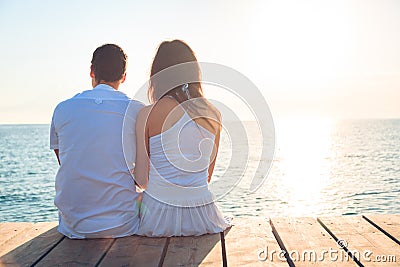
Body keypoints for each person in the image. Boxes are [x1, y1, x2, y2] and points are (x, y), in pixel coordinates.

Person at [135, 40, 230, 237]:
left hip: (159, 219)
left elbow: (141, 180)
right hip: (202, 216)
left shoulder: (147, 114)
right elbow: (207, 177)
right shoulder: (213, 113)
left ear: (157, 76)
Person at [50, 44, 144, 238]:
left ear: (91, 71)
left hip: (73, 225)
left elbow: (64, 160)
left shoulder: (63, 109)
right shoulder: (137, 111)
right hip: (123, 224)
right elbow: (144, 173)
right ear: (124, 76)